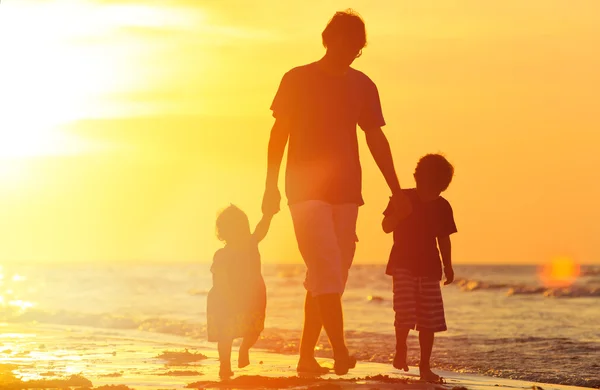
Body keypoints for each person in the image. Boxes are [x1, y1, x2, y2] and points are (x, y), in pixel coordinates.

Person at [262, 9, 412, 375]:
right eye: (347, 41)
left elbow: (375, 137)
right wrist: (269, 187)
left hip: (347, 191)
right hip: (304, 188)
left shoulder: (363, 85)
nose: (353, 50)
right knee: (327, 264)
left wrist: (397, 190)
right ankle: (340, 350)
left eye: (359, 45)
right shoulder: (296, 79)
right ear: (329, 38)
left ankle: (305, 357)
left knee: (330, 274)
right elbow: (278, 134)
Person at [381, 154, 457, 383]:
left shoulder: (443, 206)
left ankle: (425, 366)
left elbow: (444, 238)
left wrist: (448, 265)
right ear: (419, 178)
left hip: (430, 267)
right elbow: (385, 227)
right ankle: (401, 348)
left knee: (429, 319)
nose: (436, 191)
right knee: (404, 311)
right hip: (402, 264)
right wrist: (398, 214)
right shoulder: (402, 197)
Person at [207, 205, 273, 379]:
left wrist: (268, 215)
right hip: (226, 296)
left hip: (253, 295)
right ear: (223, 232)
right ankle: (225, 366)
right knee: (225, 334)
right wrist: (227, 297)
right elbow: (219, 277)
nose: (237, 232)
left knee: (255, 328)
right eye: (231, 228)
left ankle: (244, 349)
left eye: (240, 227)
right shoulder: (222, 254)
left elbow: (261, 229)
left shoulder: (251, 244)